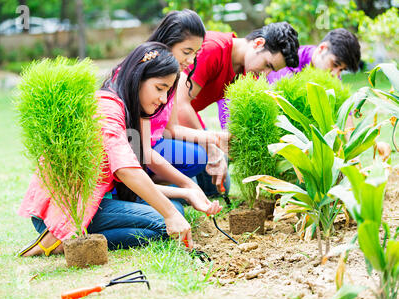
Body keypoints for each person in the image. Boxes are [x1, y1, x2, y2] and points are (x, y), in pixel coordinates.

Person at [17, 42, 222, 257]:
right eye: (159, 88)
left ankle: (77, 239)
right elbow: (126, 170)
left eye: (168, 91)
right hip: (66, 210)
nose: (163, 99)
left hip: (94, 203)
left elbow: (131, 182)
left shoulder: (130, 109)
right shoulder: (108, 107)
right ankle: (60, 240)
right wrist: (169, 214)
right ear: (137, 77)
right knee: (165, 223)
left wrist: (187, 192)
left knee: (174, 212)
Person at [175, 22, 300, 194]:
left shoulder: (247, 72)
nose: (265, 74)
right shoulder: (213, 48)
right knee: (197, 161)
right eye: (267, 65)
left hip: (183, 123)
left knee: (220, 186)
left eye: (271, 71)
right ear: (258, 43)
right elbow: (179, 104)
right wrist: (210, 148)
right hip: (158, 122)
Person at [143, 9, 230, 197]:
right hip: (136, 148)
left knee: (197, 156)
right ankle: (142, 189)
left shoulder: (175, 77)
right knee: (196, 158)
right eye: (186, 52)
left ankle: (153, 188)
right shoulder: (146, 74)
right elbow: (139, 145)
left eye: (196, 53)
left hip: (156, 143)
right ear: (168, 42)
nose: (191, 60)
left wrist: (214, 138)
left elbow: (172, 129)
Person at [217, 28, 361, 129]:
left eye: (341, 70)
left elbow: (345, 116)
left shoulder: (331, 77)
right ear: (322, 49)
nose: (336, 74)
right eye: (334, 64)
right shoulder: (284, 63)